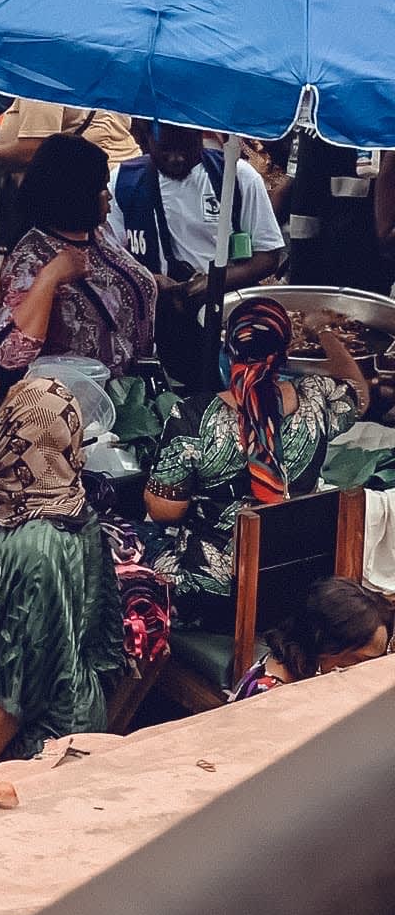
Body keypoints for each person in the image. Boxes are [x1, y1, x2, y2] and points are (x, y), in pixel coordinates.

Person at [0, 375, 124, 773]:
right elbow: (108, 643)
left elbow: (15, 698)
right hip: (61, 724)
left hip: (35, 752)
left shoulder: (38, 548)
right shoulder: (69, 505)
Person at [143, 297, 360, 623]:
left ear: (229, 350)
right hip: (300, 592)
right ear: (285, 353)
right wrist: (323, 332)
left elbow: (165, 512)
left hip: (214, 598)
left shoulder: (192, 415)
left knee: (128, 542)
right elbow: (357, 390)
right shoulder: (316, 399)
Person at [111, 125, 286, 381]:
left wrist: (213, 282)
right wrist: (149, 279)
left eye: (186, 148)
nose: (176, 158)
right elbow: (112, 255)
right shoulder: (124, 180)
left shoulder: (236, 176)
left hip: (225, 315)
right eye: (165, 149)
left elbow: (267, 256)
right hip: (158, 316)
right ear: (147, 141)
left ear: (201, 138)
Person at [0, 132, 158, 379]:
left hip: (133, 391)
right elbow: (10, 354)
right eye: (101, 188)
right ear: (75, 193)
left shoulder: (100, 234)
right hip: (81, 403)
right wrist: (51, 277)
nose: (109, 196)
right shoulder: (31, 259)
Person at [235, 577, 395, 695]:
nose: (371, 670)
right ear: (327, 648)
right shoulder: (269, 696)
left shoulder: (304, 668)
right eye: (362, 661)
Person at [0, 96, 140, 174]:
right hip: (123, 176)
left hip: (81, 189)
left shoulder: (44, 73)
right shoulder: (108, 62)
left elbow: (33, 150)